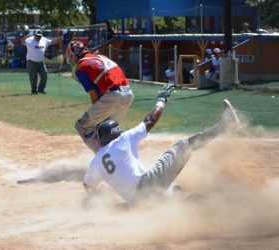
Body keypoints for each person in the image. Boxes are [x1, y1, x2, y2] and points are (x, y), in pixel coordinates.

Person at [83, 84, 242, 205]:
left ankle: (198, 205)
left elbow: (88, 186)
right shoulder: (122, 140)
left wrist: (100, 203)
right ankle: (225, 126)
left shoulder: (96, 161)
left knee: (174, 191)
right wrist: (161, 100)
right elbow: (150, 121)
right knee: (183, 146)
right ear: (115, 133)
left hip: (137, 202)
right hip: (147, 184)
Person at [65, 40, 134, 153]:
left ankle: (103, 158)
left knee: (82, 126)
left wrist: (95, 111)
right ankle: (122, 154)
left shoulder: (81, 68)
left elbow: (94, 94)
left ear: (73, 55)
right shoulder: (100, 57)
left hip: (113, 96)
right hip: (128, 94)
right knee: (107, 128)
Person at [24, 30, 60, 95]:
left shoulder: (43, 40)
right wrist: (26, 35)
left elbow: (52, 42)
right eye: (37, 36)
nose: (38, 37)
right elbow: (23, 41)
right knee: (33, 78)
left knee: (44, 75)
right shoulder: (29, 40)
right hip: (32, 62)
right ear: (34, 35)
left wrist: (58, 37)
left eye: (40, 36)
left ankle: (41, 89)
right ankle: (33, 91)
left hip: (41, 62)